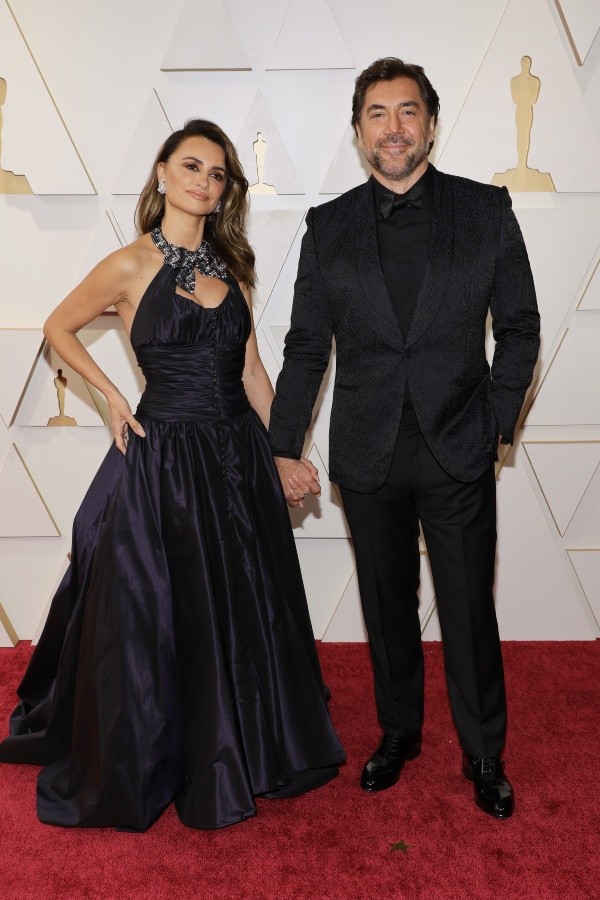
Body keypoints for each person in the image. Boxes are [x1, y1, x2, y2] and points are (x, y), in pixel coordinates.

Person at [0, 119, 344, 831]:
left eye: (217, 175)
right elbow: (58, 326)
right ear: (161, 173)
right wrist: (110, 395)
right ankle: (173, 746)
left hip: (237, 457)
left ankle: (245, 740)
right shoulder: (129, 264)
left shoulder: (232, 268)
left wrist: (283, 452)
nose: (203, 182)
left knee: (242, 599)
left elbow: (252, 372)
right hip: (167, 460)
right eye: (191, 166)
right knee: (164, 607)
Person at [269, 59, 540, 819]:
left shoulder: (485, 210)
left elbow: (520, 327)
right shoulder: (328, 226)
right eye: (378, 114)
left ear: (431, 123)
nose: (394, 128)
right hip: (368, 447)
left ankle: (484, 752)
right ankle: (398, 734)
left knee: (468, 607)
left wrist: (496, 420)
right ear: (359, 131)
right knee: (386, 607)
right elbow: (305, 346)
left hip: (458, 443)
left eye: (408, 111)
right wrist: (282, 445)